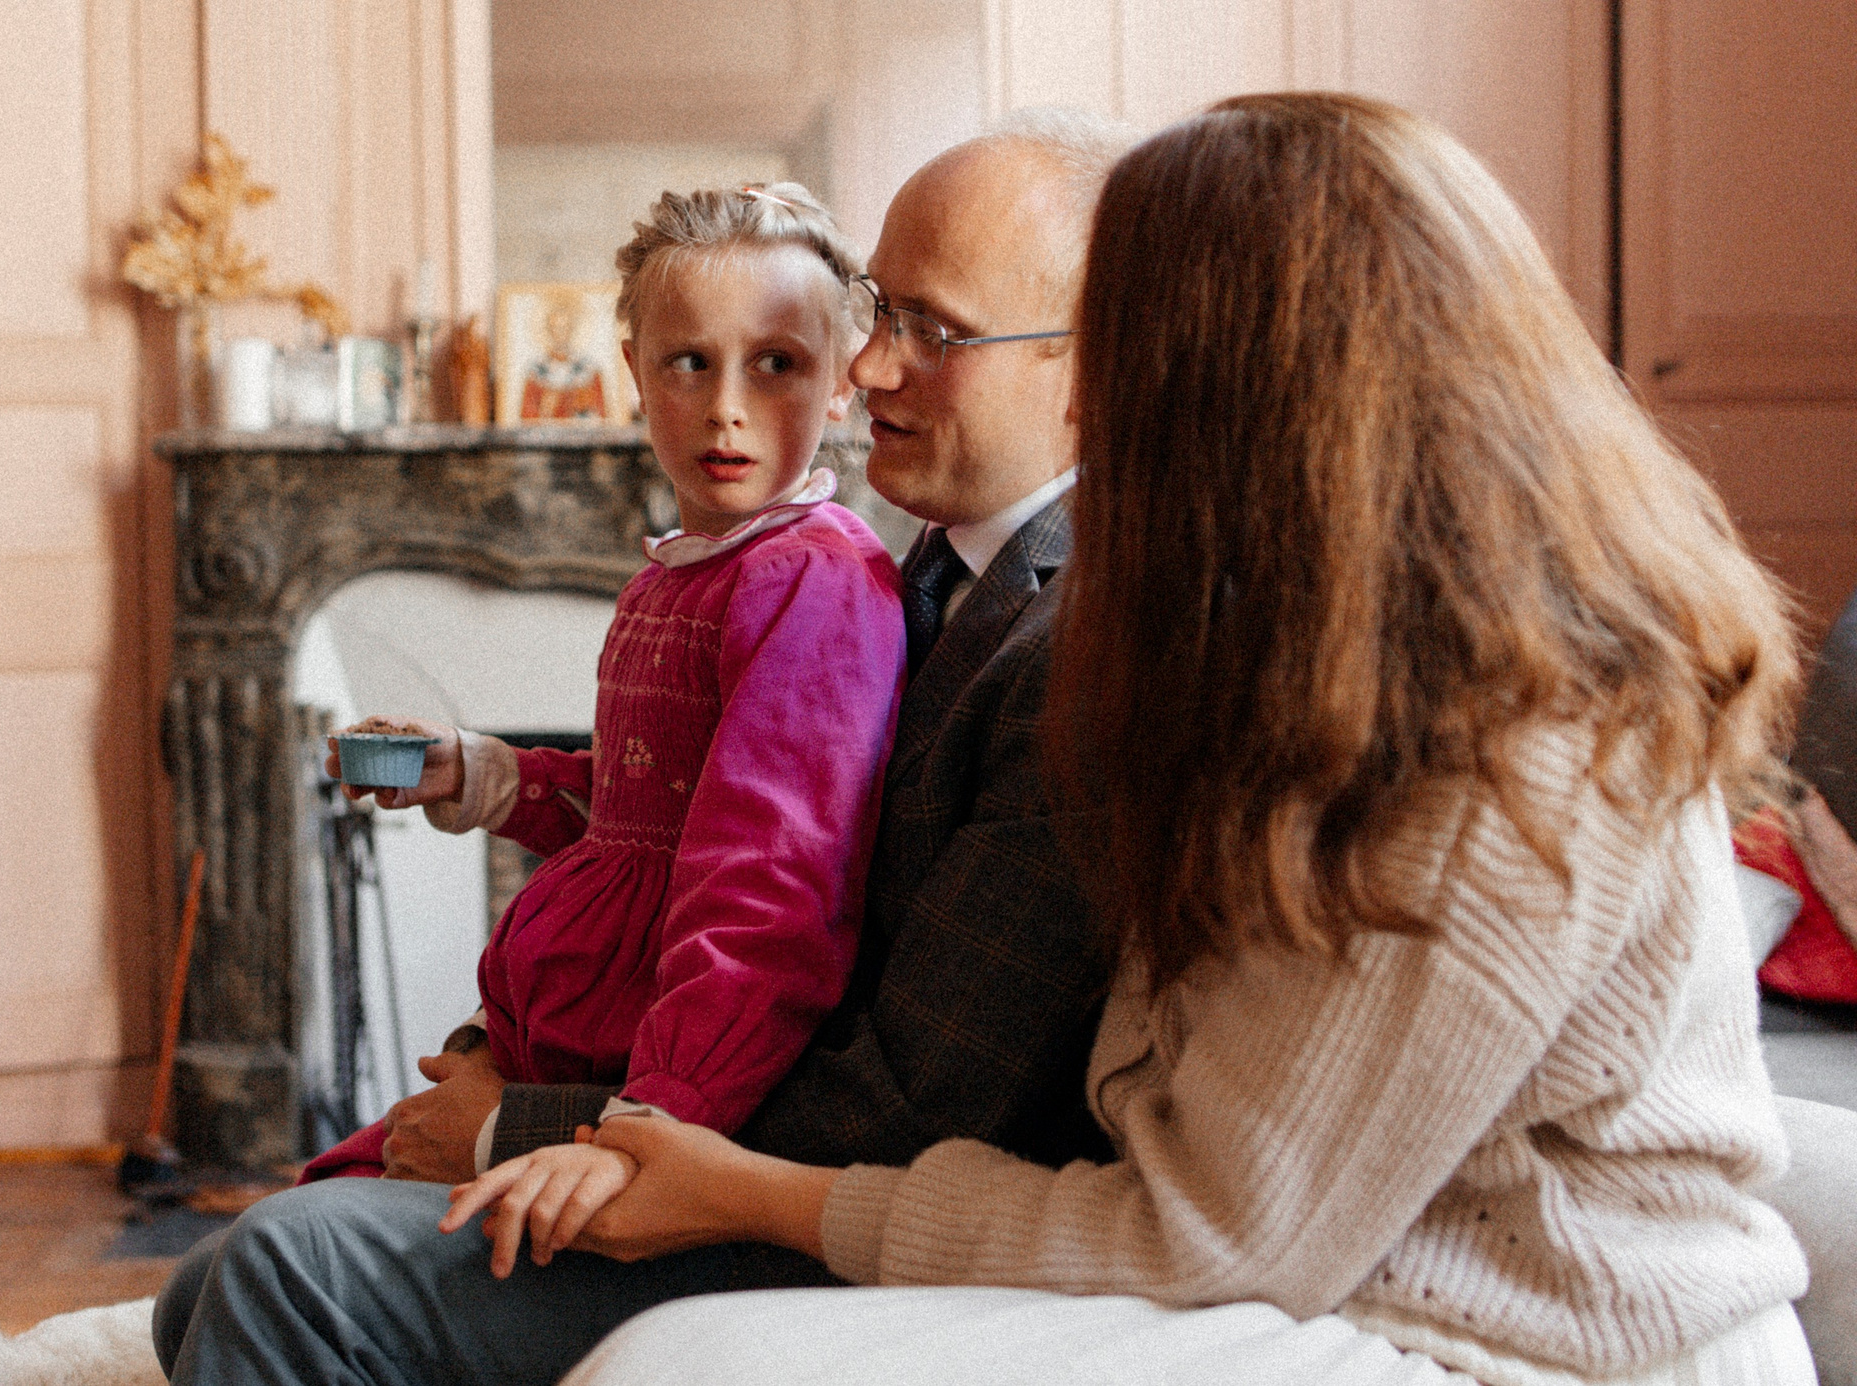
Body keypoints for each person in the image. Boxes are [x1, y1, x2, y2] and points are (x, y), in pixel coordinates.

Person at [454, 92, 1819, 1386]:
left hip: (1506, 1344)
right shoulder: (1283, 662)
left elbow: (1206, 1236)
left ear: (1256, 385)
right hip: (1320, 1280)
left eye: (1123, 349)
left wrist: (746, 1191)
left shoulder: (1499, 757)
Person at [154, 109, 1134, 1383]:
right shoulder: (922, 565)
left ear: (1091, 368)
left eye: (926, 333)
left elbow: (898, 1083)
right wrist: (496, 779)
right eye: (880, 315)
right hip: (656, 1093)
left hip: (804, 1202)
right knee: (206, 1288)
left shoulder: (1071, 649)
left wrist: (524, 1126)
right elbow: (668, 809)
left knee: (294, 1268)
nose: (874, 370)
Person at [293, 181, 907, 1204]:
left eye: (777, 365)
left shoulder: (810, 581)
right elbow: (641, 805)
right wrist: (486, 774)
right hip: (559, 1038)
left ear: (842, 382)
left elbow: (767, 894)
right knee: (304, 1203)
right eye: (687, 363)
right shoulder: (680, 571)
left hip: (642, 1081)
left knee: (306, 1237)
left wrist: (646, 1133)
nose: (726, 407)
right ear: (632, 373)